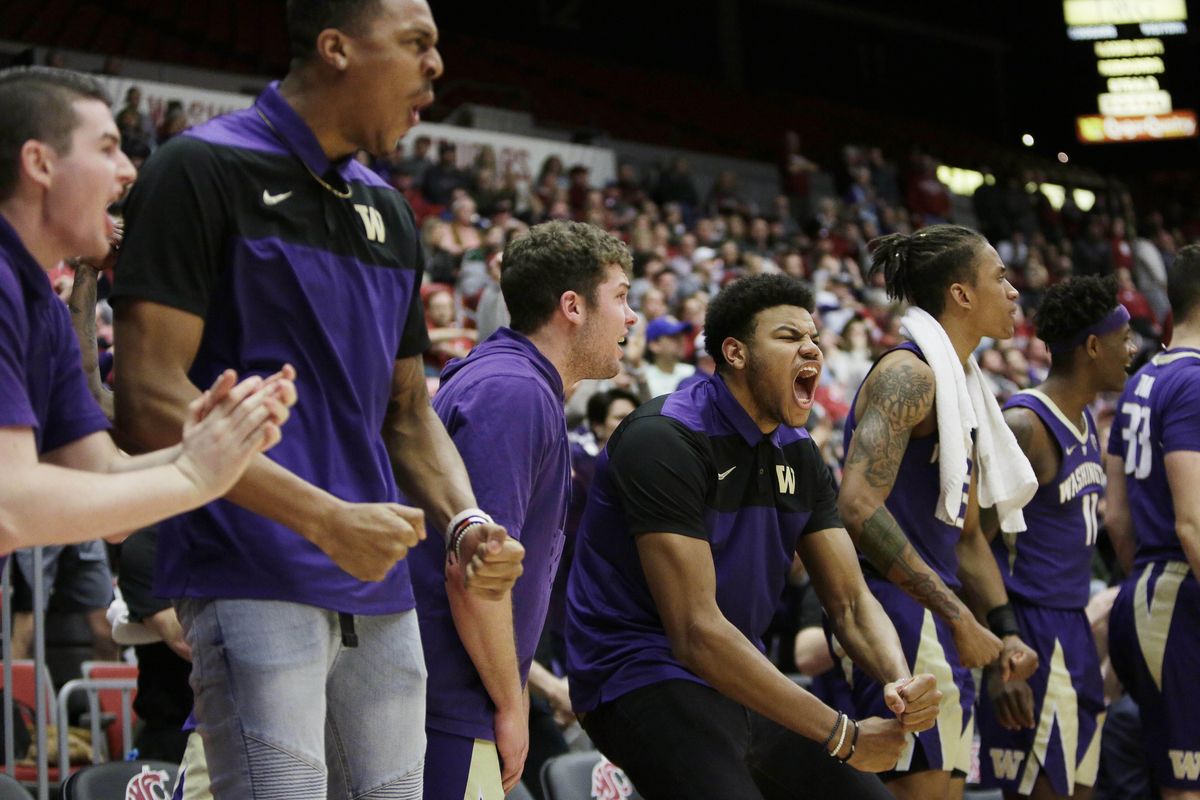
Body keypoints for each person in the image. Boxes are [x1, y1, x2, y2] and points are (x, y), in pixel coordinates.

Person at [109, 1, 524, 796]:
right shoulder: (200, 168)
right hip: (249, 567)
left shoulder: (389, 209)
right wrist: (323, 519)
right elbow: (149, 399)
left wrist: (465, 519)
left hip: (377, 578)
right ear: (337, 48)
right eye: (417, 44)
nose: (437, 67)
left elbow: (407, 411)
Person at [565, 273, 942, 800]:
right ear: (736, 353)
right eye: (789, 337)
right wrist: (845, 736)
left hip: (736, 668)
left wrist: (898, 681)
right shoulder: (665, 438)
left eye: (813, 337)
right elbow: (695, 632)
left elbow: (852, 602)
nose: (810, 347)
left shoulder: (800, 451)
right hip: (639, 673)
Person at [0, 66, 293, 563]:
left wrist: (208, 450)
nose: (128, 170)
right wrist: (192, 473)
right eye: (106, 147)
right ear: (40, 164)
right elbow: (10, 505)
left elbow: (104, 492)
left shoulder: (42, 308)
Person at [412, 220, 637, 799]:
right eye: (621, 298)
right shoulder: (514, 393)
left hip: (447, 693)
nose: (631, 318)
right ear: (572, 306)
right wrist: (513, 705)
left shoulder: (512, 381)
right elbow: (474, 570)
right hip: (448, 702)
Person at [837, 225, 1039, 800]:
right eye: (1000, 278)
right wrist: (957, 616)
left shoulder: (964, 387)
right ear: (962, 294)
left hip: (937, 612)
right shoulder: (910, 374)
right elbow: (855, 504)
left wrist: (1003, 632)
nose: (1014, 291)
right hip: (896, 611)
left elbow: (969, 536)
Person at [976, 275, 1135, 799]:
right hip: (1029, 630)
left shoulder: (1086, 419)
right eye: (1125, 337)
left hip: (1071, 627)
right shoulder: (1026, 424)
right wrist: (1000, 655)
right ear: (1093, 346)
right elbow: (971, 545)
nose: (1132, 349)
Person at [1106, 243, 1200, 800]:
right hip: (1178, 601)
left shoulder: (1142, 378)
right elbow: (1191, 523)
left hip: (1144, 594)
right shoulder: (1193, 382)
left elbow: (1116, 517)